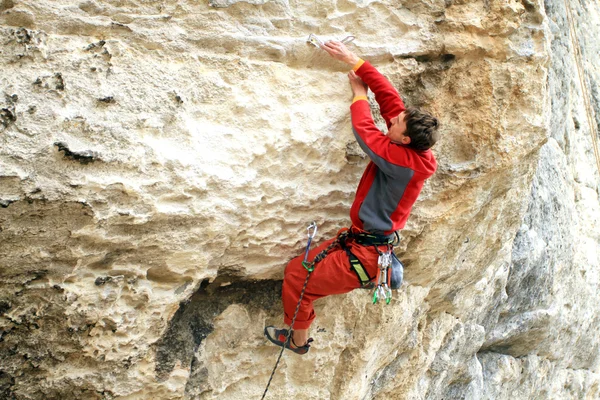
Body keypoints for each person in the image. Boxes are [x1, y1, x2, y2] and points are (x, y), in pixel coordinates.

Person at [265, 40, 440, 354]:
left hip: (363, 255)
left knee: (296, 278)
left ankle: (298, 341)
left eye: (397, 123)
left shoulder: (401, 161)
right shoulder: (411, 149)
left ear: (405, 139)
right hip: (363, 245)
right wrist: (355, 62)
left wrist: (359, 95)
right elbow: (390, 100)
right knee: (299, 273)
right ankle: (299, 330)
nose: (394, 118)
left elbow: (365, 132)